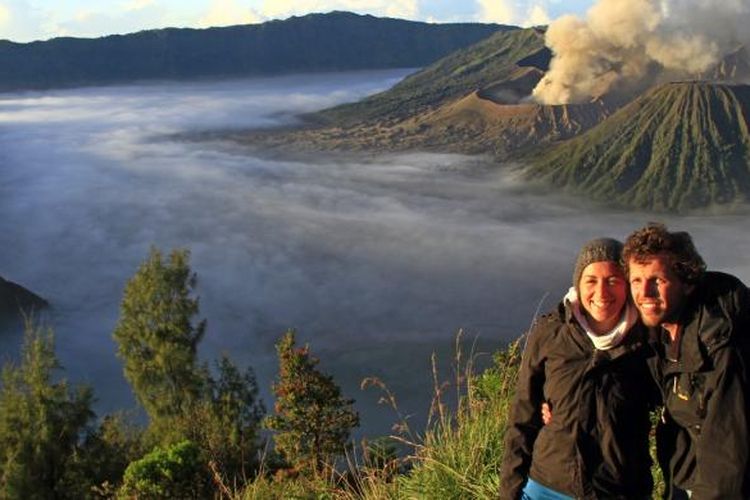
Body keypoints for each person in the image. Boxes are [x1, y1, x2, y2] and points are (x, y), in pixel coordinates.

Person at [500, 238, 656, 500]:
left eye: (613, 280)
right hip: (548, 486)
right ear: (578, 284)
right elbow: (522, 416)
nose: (602, 293)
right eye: (591, 280)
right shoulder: (552, 332)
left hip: (620, 489)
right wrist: (509, 491)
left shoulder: (647, 339)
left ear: (627, 285)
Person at [623, 223, 750, 499]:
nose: (644, 293)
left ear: (687, 282)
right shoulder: (662, 332)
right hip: (688, 474)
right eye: (636, 280)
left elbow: (728, 457)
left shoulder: (720, 348)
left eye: (657, 280)